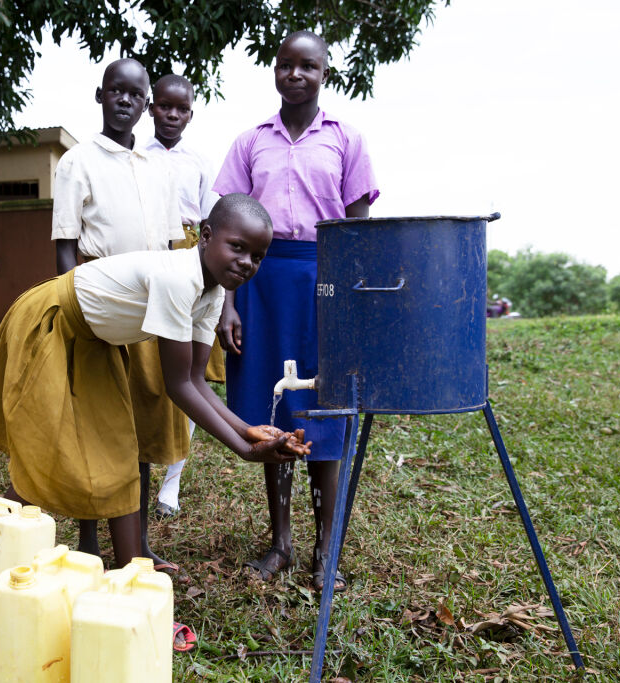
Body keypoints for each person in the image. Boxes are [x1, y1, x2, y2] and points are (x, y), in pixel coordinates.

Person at [0, 194, 310, 568]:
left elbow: (196, 380)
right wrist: (244, 449)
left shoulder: (211, 291)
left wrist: (249, 431)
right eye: (237, 247)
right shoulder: (178, 279)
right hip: (50, 321)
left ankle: (132, 572)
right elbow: (178, 385)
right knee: (47, 446)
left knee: (119, 449)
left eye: (257, 256)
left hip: (96, 341)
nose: (247, 263)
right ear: (205, 235)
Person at [213, 30, 379, 590]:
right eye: (286, 64)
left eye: (308, 65)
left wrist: (355, 307)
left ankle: (325, 549)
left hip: (324, 280)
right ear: (275, 70)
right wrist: (228, 305)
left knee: (323, 406)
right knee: (273, 409)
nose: (296, 74)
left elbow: (358, 231)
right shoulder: (250, 142)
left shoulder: (346, 140)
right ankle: (280, 541)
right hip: (261, 282)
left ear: (324, 72)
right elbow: (227, 231)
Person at [49, 58, 192, 571]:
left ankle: (141, 546)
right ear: (100, 95)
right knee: (97, 426)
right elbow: (66, 246)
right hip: (101, 304)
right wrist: (74, 314)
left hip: (152, 308)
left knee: (142, 427)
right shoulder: (78, 162)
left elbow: (175, 246)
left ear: (147, 104)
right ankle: (90, 547)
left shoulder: (160, 167)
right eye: (116, 91)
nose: (126, 101)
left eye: (136, 94)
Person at [141, 74, 224, 519]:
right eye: (164, 106)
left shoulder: (199, 161)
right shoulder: (137, 157)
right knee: (148, 373)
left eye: (182, 109)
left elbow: (214, 224)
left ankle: (171, 481)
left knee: (191, 377)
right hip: (151, 261)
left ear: (191, 113)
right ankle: (137, 468)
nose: (172, 115)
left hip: (192, 265)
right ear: (152, 107)